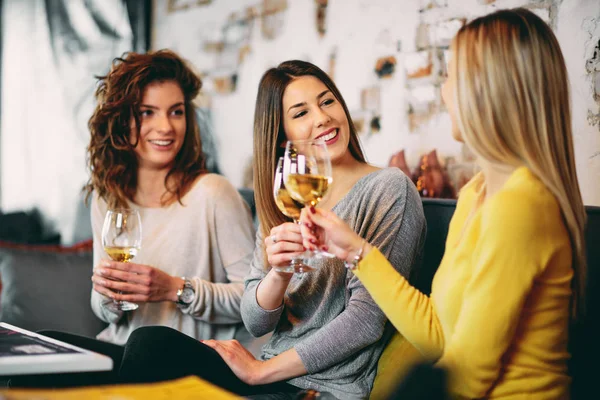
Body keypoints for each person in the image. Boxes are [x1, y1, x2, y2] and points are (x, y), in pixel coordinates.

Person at [301, 8, 586, 399]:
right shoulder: (477, 193)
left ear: (488, 90)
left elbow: (467, 377)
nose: (443, 90)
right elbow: (438, 333)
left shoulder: (523, 206)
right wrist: (354, 251)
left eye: (452, 76)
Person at [119, 60, 426, 399]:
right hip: (268, 374)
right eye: (301, 113)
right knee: (149, 344)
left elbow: (366, 321)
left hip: (318, 388)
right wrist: (278, 273)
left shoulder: (388, 188)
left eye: (327, 101)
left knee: (146, 353)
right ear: (282, 139)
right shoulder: (288, 198)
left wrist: (260, 372)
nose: (322, 117)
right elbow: (256, 322)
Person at [10, 49, 256, 388]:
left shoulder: (214, 193)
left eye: (176, 112)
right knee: (43, 348)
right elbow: (104, 307)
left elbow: (255, 304)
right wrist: (108, 295)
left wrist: (176, 289)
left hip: (192, 357)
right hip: (125, 352)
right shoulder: (107, 197)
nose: (166, 127)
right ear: (123, 121)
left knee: (148, 343)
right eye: (147, 112)